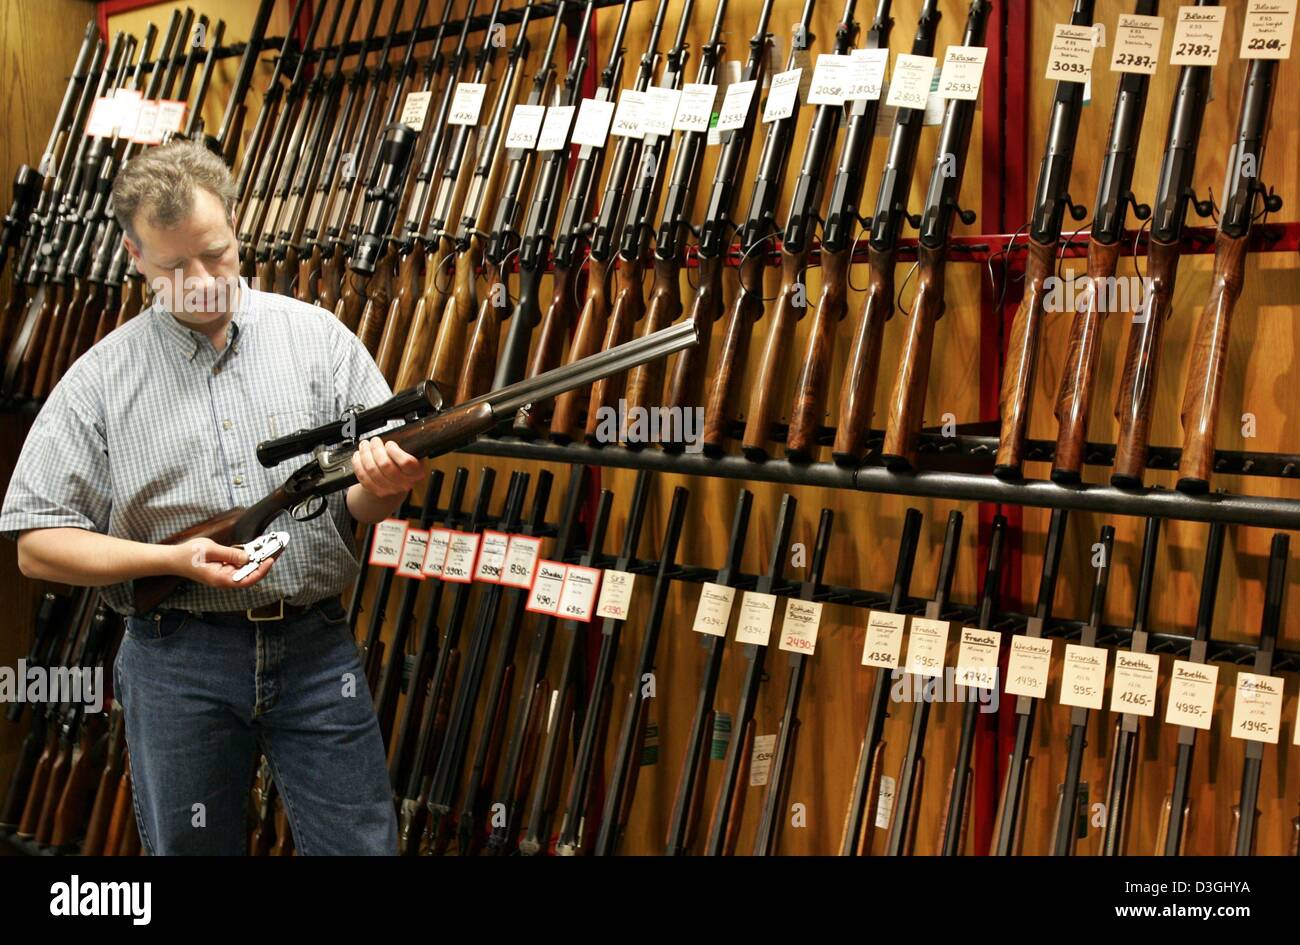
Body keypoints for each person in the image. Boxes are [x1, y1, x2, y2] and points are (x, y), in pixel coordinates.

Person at [0, 139, 426, 855]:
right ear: (135, 258)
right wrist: (171, 557)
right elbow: (37, 547)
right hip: (178, 657)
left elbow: (361, 506)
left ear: (236, 223)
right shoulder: (100, 379)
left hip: (316, 645)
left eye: (217, 253)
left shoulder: (319, 340)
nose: (201, 281)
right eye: (174, 266)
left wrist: (383, 489)